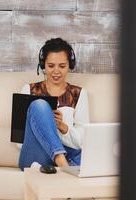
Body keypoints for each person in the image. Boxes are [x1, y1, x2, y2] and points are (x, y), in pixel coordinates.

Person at [18, 38, 90, 171]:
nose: (56, 71)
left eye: (62, 66)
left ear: (70, 65)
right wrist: (45, 124)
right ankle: (62, 164)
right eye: (51, 66)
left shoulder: (78, 93)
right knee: (40, 105)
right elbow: (19, 141)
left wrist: (62, 128)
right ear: (43, 65)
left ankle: (57, 165)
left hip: (69, 153)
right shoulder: (28, 90)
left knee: (90, 152)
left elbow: (82, 141)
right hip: (35, 156)